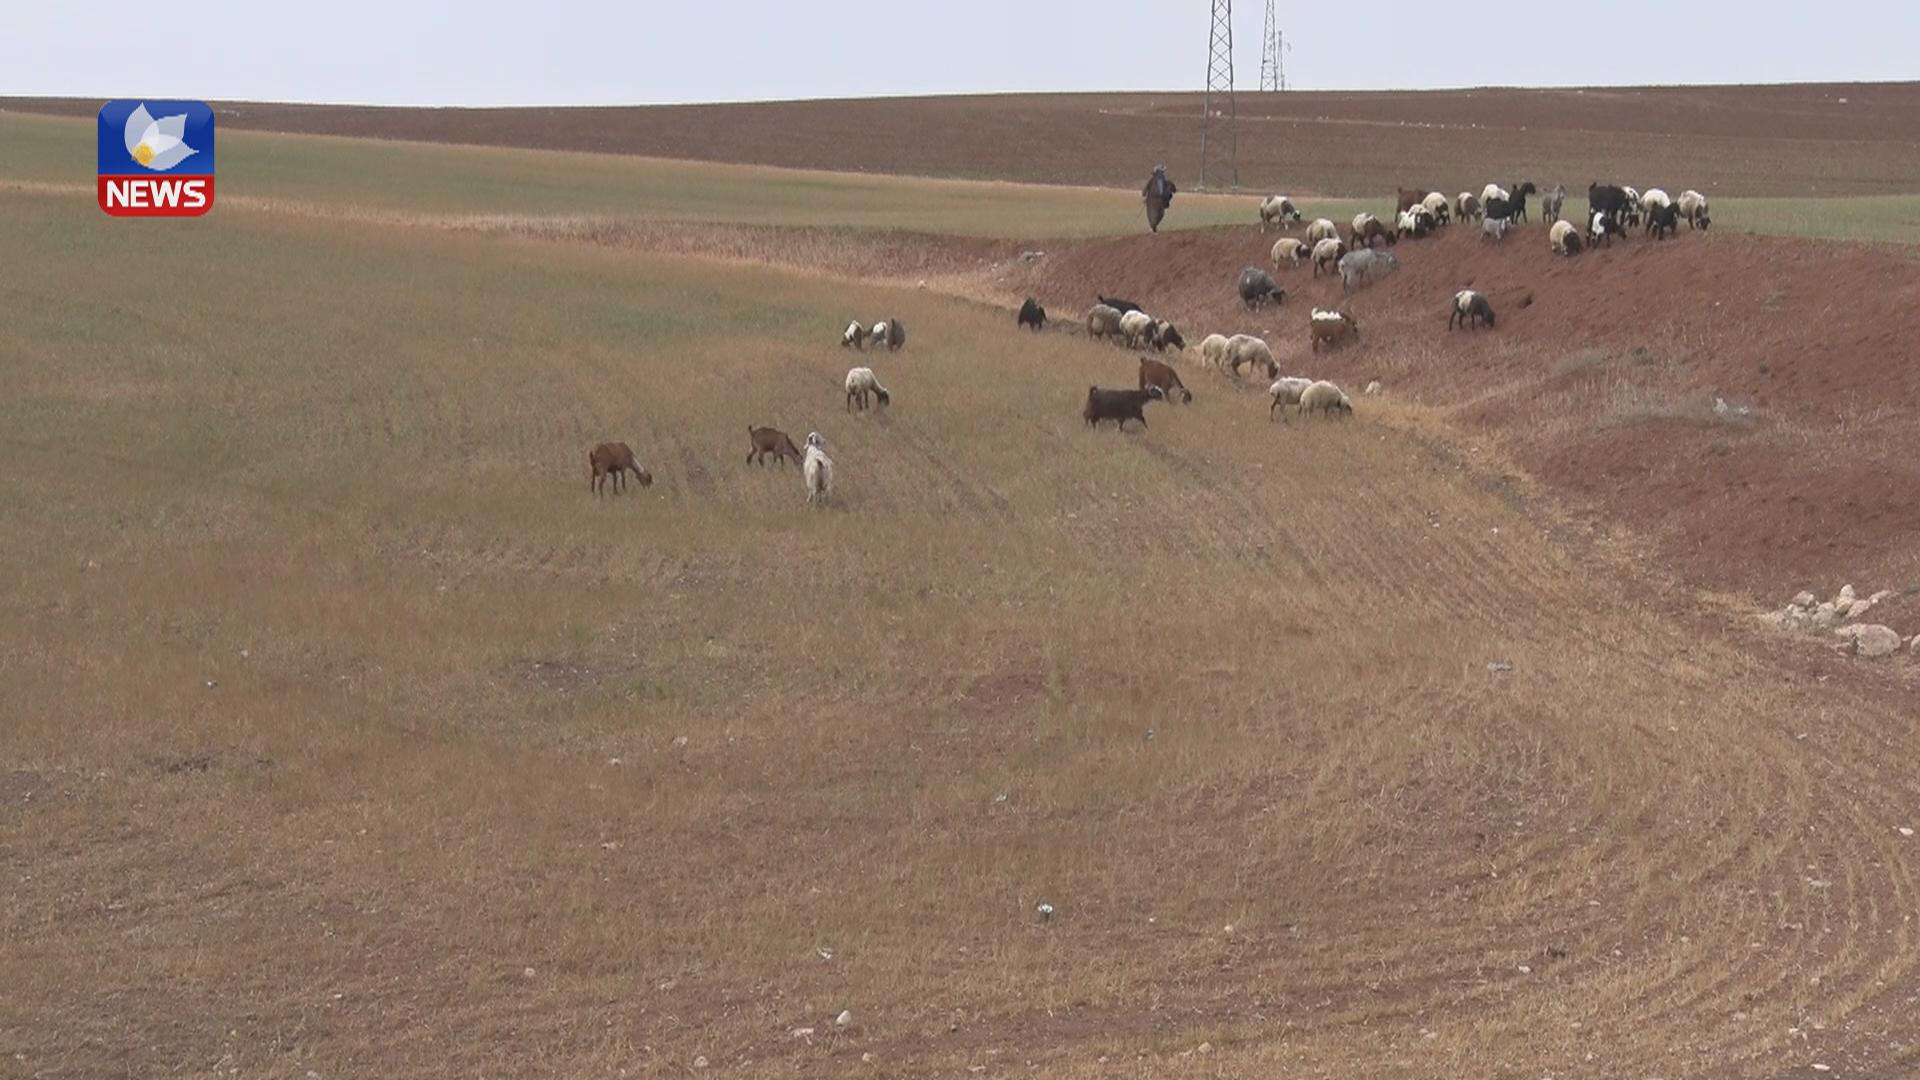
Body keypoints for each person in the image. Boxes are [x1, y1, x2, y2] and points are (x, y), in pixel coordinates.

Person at [1142, 164, 1176, 233]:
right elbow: (1146, 188)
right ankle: (1153, 227)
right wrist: (1144, 195)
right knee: (1155, 214)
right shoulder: (1153, 180)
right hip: (1153, 199)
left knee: (1159, 214)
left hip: (1157, 200)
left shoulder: (1162, 180)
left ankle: (1153, 227)